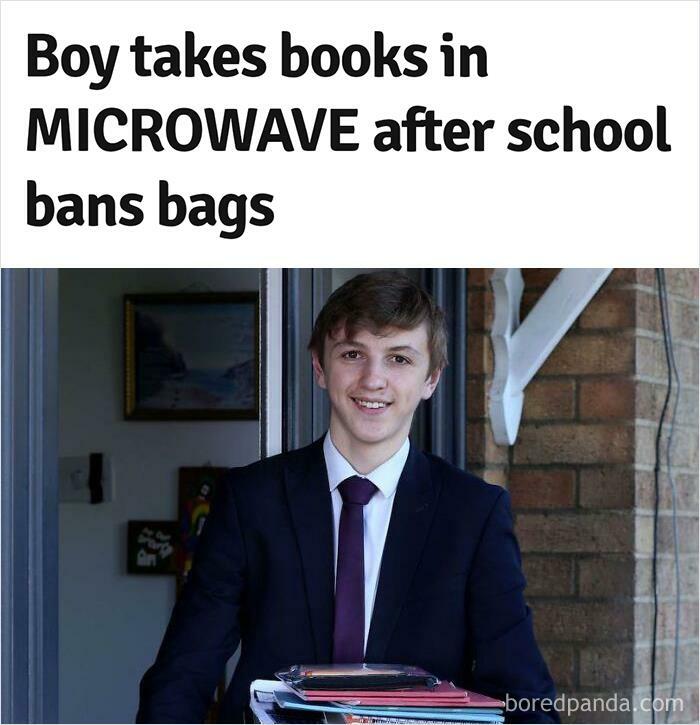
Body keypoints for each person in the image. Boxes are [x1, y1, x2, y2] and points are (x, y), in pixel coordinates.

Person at [137, 272, 557, 723]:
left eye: (399, 359)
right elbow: (181, 676)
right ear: (320, 368)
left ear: (431, 379)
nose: (373, 379)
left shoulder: (473, 515)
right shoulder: (250, 500)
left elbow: (526, 702)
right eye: (353, 354)